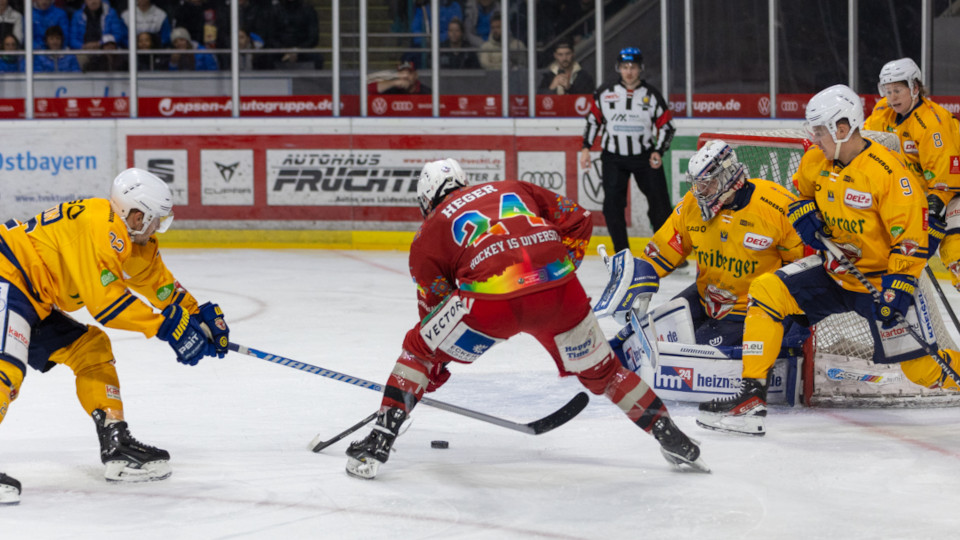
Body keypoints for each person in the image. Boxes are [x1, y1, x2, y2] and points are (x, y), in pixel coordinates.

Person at [343, 158, 709, 480]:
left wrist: (433, 370)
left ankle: (379, 442)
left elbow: (435, 311)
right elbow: (580, 219)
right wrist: (559, 269)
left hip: (490, 302)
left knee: (417, 351)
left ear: (426, 199)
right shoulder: (513, 186)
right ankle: (670, 434)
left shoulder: (427, 233)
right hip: (559, 290)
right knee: (608, 372)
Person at [697, 84, 960, 436]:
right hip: (834, 272)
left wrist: (899, 285)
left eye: (819, 130)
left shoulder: (890, 174)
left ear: (841, 128)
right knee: (767, 291)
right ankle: (752, 396)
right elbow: (799, 194)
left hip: (881, 282)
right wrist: (803, 212)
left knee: (922, 371)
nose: (814, 137)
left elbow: (911, 241)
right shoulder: (815, 160)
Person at [0, 168, 230, 505]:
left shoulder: (135, 241)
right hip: (8, 274)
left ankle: (115, 442)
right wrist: (166, 328)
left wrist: (198, 317)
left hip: (35, 298)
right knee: (7, 368)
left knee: (91, 349)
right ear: (135, 215)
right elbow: (107, 305)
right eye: (154, 220)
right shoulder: (99, 224)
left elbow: (161, 286)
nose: (157, 229)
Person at [597, 140, 807, 366]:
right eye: (697, 184)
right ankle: (605, 361)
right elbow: (665, 248)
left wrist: (792, 325)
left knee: (688, 356)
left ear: (728, 176)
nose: (699, 191)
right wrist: (638, 278)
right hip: (704, 297)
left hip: (749, 311)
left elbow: (800, 270)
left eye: (707, 184)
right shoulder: (692, 205)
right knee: (648, 334)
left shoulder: (777, 206)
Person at [863, 58, 960, 290]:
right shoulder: (882, 114)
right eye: (887, 91)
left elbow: (944, 180)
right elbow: (864, 148)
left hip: (952, 191)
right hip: (911, 195)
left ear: (915, 88)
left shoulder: (932, 123)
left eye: (897, 90)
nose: (892, 96)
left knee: (956, 249)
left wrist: (933, 207)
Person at [579, 47, 675, 254]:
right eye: (624, 67)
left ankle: (667, 252)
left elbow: (667, 127)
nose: (629, 71)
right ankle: (622, 253)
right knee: (612, 206)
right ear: (618, 68)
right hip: (613, 157)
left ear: (641, 69)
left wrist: (659, 150)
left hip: (645, 156)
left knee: (661, 204)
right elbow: (592, 121)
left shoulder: (652, 95)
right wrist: (586, 148)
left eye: (633, 67)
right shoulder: (605, 93)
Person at [269, 0, 321, 69]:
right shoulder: (274, 10)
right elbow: (270, 36)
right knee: (264, 58)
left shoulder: (308, 10)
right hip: (279, 51)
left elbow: (313, 38)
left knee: (317, 57)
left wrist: (297, 50)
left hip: (303, 51)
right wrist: (284, 50)